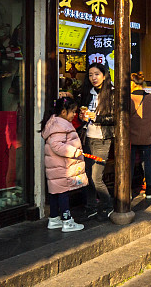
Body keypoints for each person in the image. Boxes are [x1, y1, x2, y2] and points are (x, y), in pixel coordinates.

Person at [42, 95, 88, 233]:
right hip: (62, 167)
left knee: (55, 193)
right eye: (73, 112)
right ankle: (67, 221)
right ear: (63, 112)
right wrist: (75, 152)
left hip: (56, 167)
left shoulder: (54, 123)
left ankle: (54, 218)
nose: (74, 115)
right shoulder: (60, 125)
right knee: (63, 194)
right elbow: (57, 146)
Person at [77, 63, 114, 219]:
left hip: (102, 139)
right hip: (87, 138)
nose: (93, 78)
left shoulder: (112, 93)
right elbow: (82, 115)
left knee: (96, 177)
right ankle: (91, 207)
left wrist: (96, 117)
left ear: (104, 76)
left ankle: (108, 206)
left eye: (97, 74)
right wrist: (82, 117)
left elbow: (115, 118)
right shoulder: (87, 93)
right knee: (87, 176)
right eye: (91, 74)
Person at [127, 72, 151, 198]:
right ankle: (149, 191)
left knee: (129, 164)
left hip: (130, 138)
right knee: (147, 163)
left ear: (132, 84)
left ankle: (128, 191)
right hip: (147, 137)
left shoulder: (129, 99)